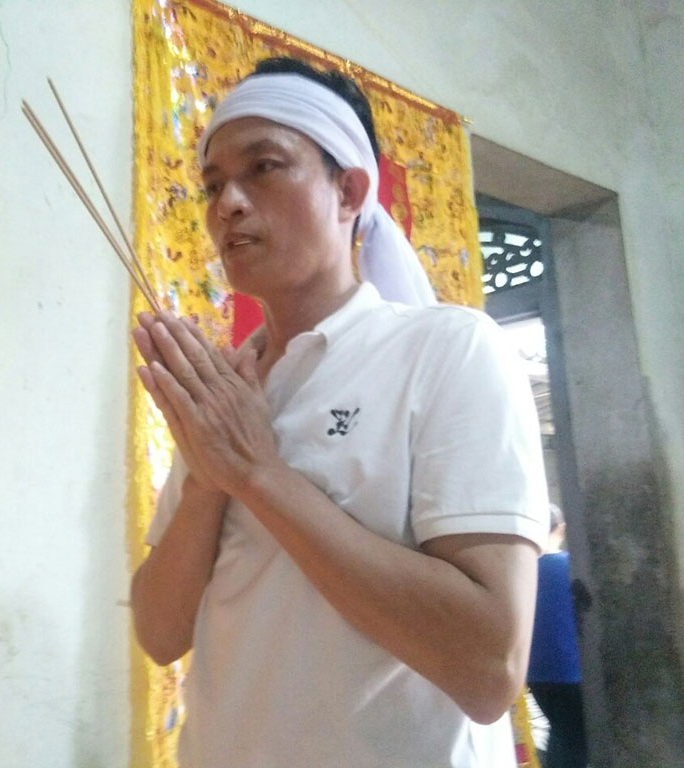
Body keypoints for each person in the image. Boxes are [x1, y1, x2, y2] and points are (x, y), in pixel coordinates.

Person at [129, 56, 549, 768]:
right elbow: (161, 632)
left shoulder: (447, 349)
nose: (226, 203)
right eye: (211, 184)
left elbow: (488, 666)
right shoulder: (234, 390)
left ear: (350, 188)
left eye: (263, 167)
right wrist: (208, 476)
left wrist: (259, 474)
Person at [528, 504, 588, 768]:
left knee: (560, 731)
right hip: (572, 671)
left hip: (536, 673)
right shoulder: (571, 567)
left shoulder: (523, 574)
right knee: (576, 738)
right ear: (561, 530)